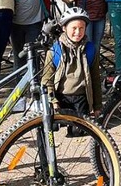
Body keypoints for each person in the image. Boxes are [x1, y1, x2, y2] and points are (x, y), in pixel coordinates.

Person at [41, 7, 102, 136]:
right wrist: (53, 101)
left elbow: (96, 78)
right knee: (51, 127)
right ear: (64, 28)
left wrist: (97, 106)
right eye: (73, 28)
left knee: (78, 132)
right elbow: (47, 80)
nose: (77, 32)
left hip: (81, 97)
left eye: (81, 28)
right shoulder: (54, 51)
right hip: (61, 97)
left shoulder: (91, 50)